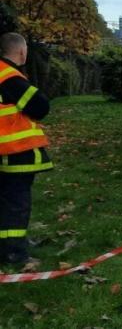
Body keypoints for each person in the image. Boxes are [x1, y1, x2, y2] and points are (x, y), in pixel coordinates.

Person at [0, 33, 52, 265]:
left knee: (6, 202)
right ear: (22, 52)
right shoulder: (10, 76)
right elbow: (40, 106)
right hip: (13, 150)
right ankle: (15, 254)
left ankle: (11, 247)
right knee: (16, 204)